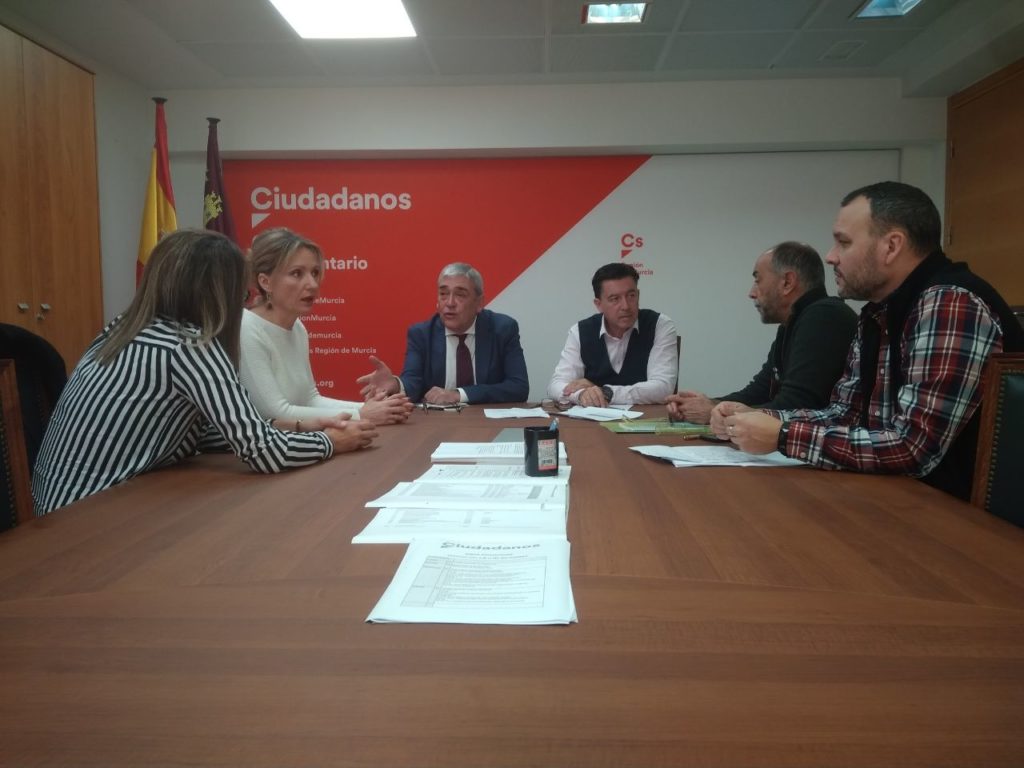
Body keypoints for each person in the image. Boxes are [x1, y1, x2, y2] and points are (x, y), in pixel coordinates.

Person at [31, 229, 378, 516]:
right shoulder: (189, 345)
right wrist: (330, 442)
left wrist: (296, 426)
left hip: (55, 506)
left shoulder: (123, 330)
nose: (243, 298)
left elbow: (189, 433)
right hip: (90, 516)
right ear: (219, 291)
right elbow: (263, 452)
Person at [713, 181, 1024, 500]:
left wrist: (784, 435)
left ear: (891, 246)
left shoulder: (949, 303)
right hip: (901, 498)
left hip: (957, 514)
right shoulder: (879, 312)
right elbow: (845, 413)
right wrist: (761, 419)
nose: (831, 257)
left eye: (843, 243)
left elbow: (913, 448)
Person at [667, 242, 857, 423]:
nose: (752, 293)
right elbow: (761, 391)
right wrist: (709, 404)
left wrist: (713, 413)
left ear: (787, 282)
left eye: (758, 280)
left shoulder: (825, 316)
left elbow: (796, 406)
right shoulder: (793, 322)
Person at [240, 228, 412, 426]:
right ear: (265, 282)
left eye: (314, 273)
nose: (313, 284)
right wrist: (362, 414)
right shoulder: (246, 328)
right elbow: (274, 413)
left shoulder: (297, 327)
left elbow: (310, 399)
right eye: (297, 273)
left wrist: (377, 408)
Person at [357, 263, 529, 404]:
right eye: (443, 294)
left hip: (487, 423)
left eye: (460, 295)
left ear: (479, 303)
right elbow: (413, 381)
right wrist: (395, 384)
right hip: (438, 423)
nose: (450, 303)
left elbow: (518, 387)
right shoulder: (421, 334)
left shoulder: (503, 329)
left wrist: (458, 394)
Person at [547, 262, 677, 406]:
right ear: (598, 304)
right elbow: (556, 385)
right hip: (593, 419)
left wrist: (606, 392)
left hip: (647, 417)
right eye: (615, 299)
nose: (625, 306)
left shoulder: (659, 325)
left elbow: (663, 388)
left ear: (638, 295)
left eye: (631, 296)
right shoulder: (580, 331)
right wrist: (582, 395)